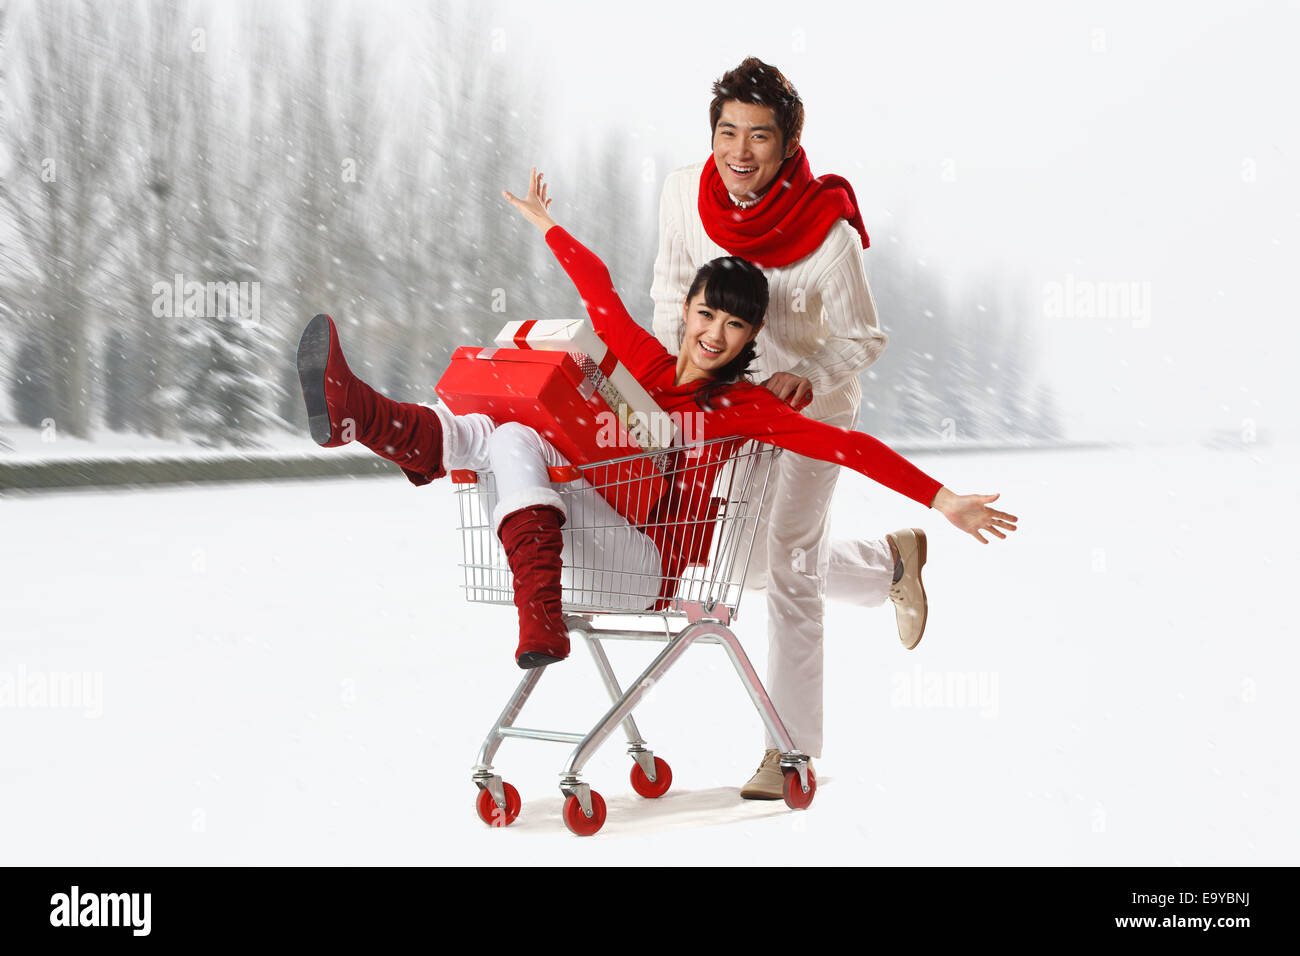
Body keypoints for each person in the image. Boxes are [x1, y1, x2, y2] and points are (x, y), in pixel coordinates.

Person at [296, 169, 1018, 693]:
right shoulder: (641, 361)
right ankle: (373, 424)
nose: (714, 334)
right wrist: (549, 226)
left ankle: (368, 416)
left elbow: (847, 447)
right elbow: (600, 294)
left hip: (646, 570)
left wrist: (943, 498)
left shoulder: (743, 408)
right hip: (581, 536)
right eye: (707, 315)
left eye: (735, 327)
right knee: (509, 436)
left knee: (506, 442)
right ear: (691, 309)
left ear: (749, 337)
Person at [650, 56, 941, 797]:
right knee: (742, 562)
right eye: (727, 132)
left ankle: (790, 752)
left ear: (789, 146)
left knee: (788, 559)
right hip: (733, 405)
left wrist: (808, 375)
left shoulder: (827, 234)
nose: (739, 153)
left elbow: (865, 338)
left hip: (815, 406)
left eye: (759, 136)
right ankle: (889, 566)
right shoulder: (684, 193)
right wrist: (676, 385)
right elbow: (668, 289)